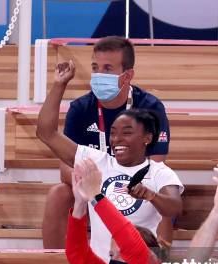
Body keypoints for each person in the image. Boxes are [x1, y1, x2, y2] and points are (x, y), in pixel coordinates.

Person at [36, 60, 199, 264]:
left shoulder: (160, 174)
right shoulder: (98, 162)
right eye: (113, 132)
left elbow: (175, 207)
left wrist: (151, 196)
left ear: (148, 138)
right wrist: (59, 85)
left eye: (127, 132)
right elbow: (46, 133)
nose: (117, 138)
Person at [42, 36, 173, 249]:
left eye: (108, 68)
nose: (99, 74)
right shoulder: (80, 108)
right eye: (95, 67)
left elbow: (156, 164)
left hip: (133, 186)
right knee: (58, 194)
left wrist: (118, 181)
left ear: (127, 75)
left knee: (163, 195)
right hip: (91, 185)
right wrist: (99, 183)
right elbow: (65, 169)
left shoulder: (150, 107)